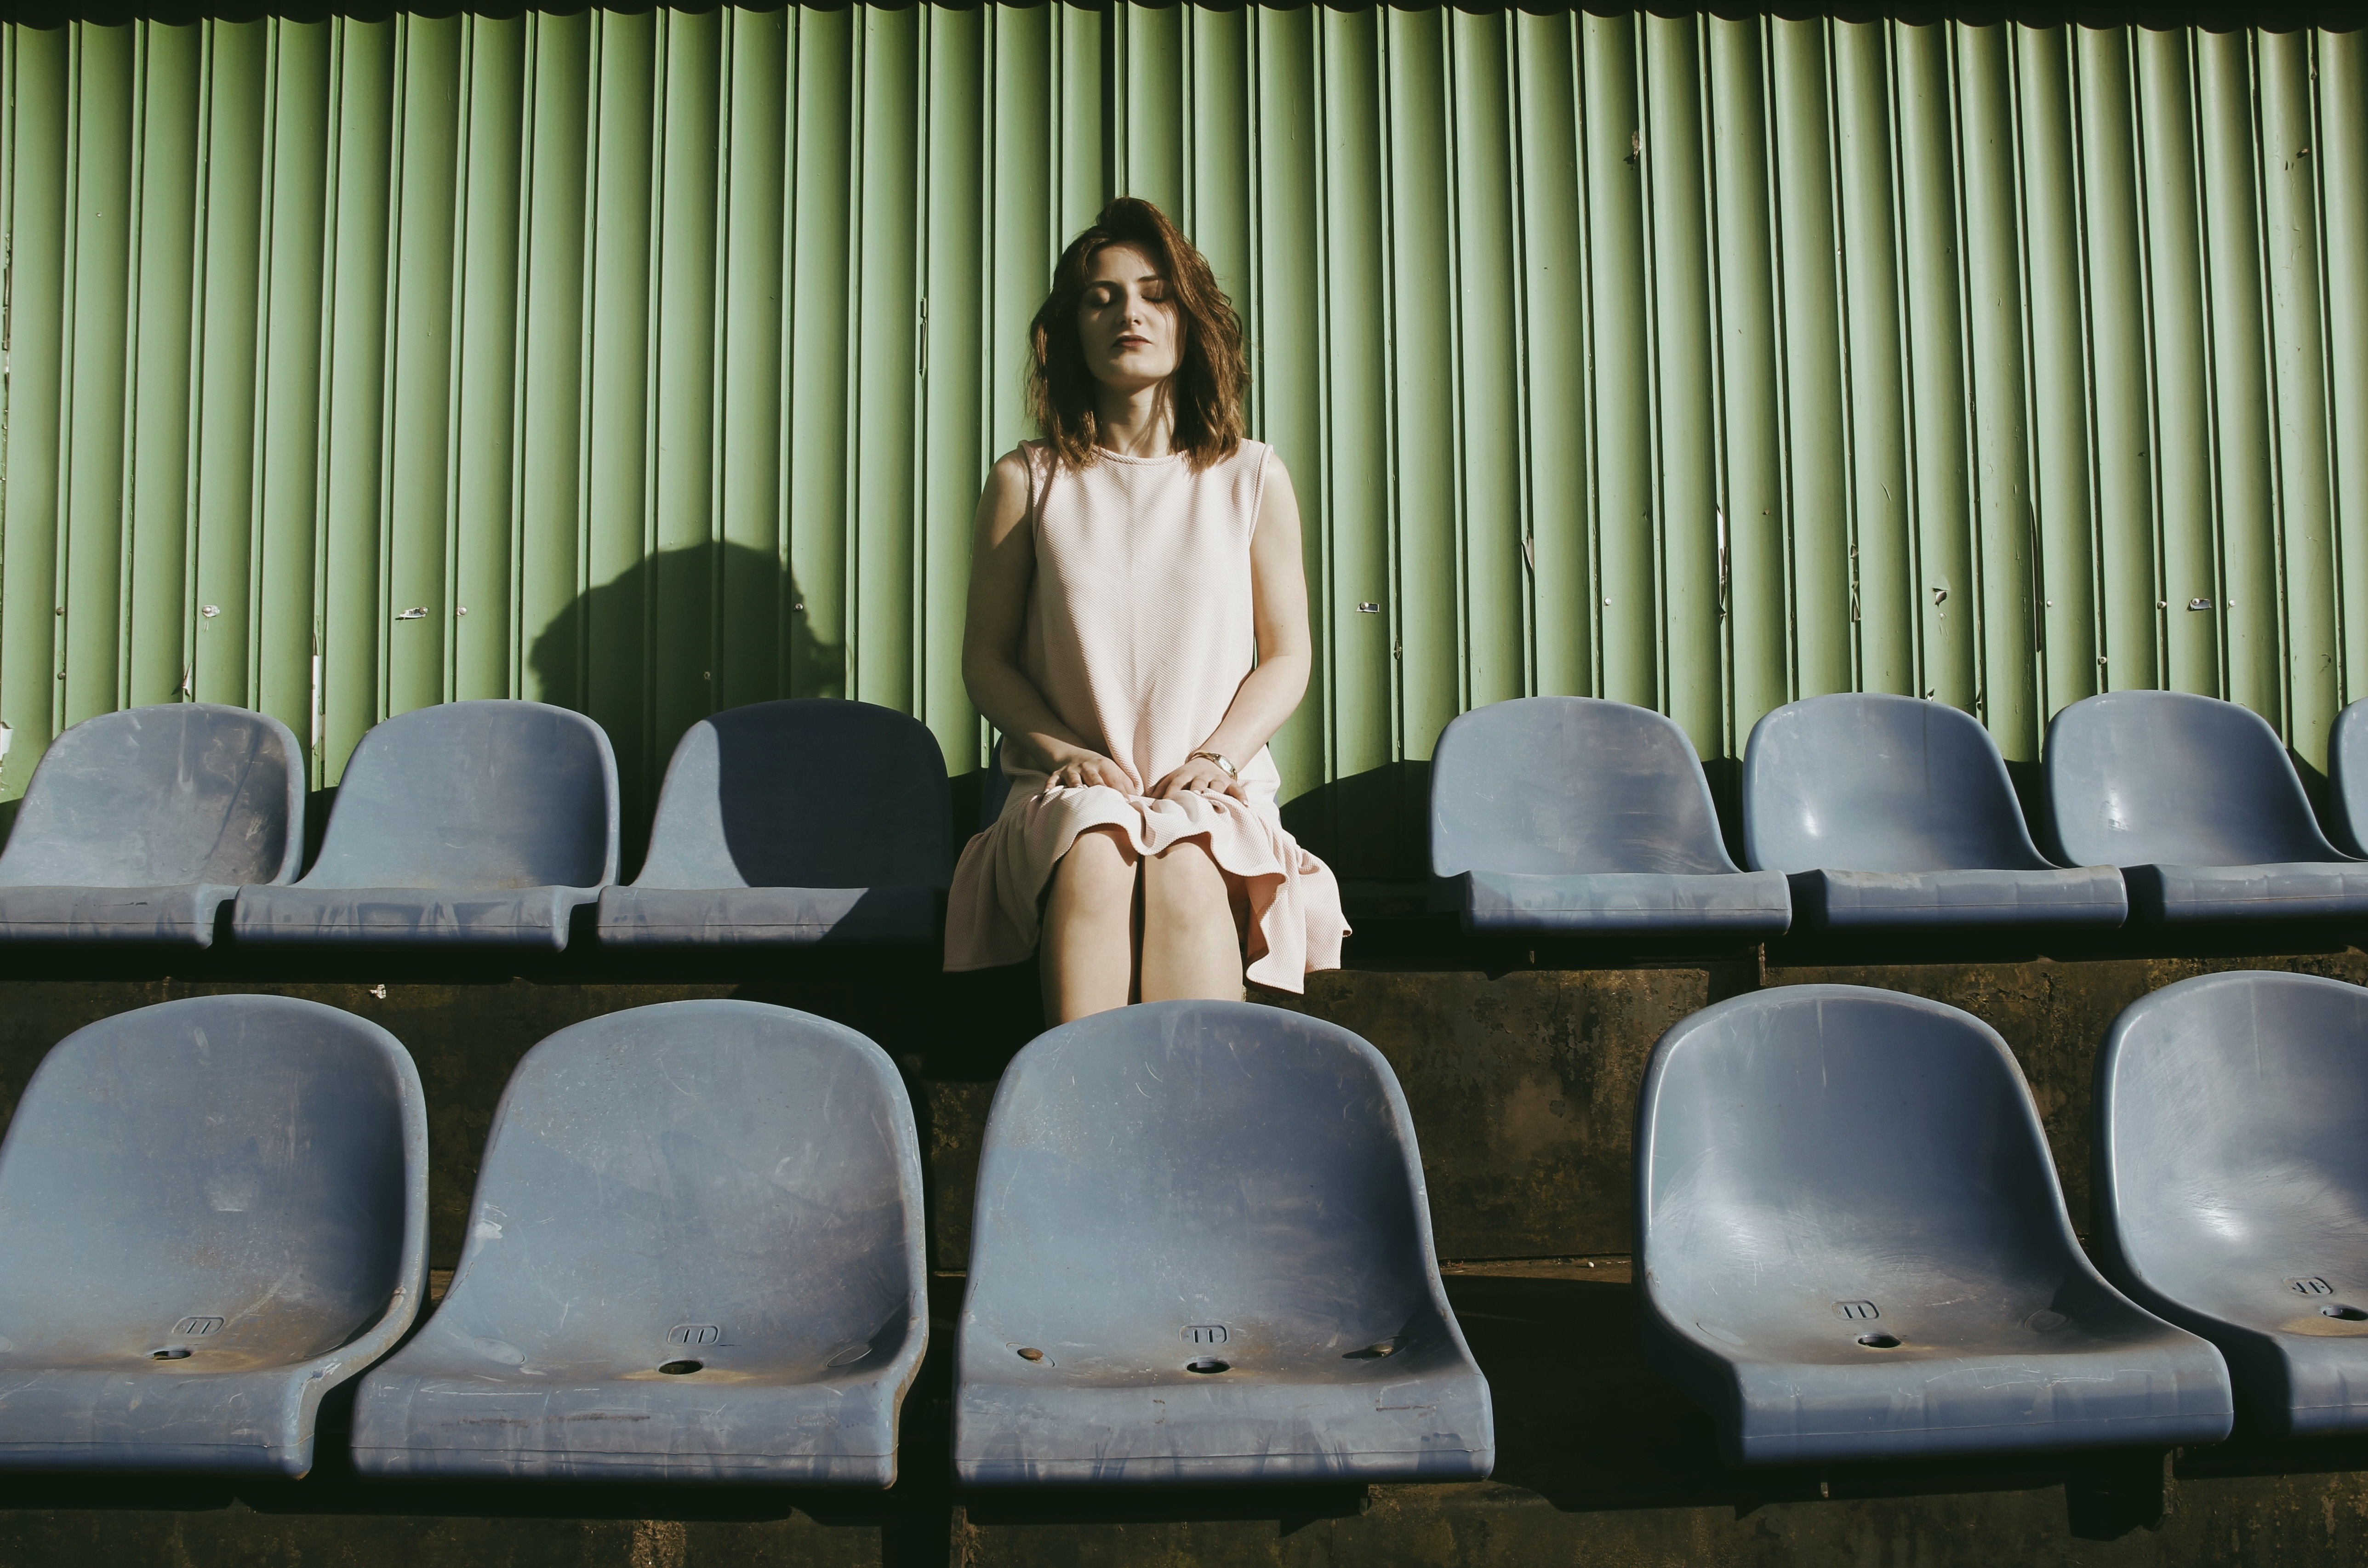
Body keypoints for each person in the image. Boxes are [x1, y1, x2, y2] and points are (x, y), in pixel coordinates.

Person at [945, 196, 1348, 1023]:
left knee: (1189, 859)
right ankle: (1080, 1137)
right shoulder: (1028, 480)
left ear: (1189, 319)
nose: (1129, 311)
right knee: (1096, 845)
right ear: (1070, 329)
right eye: (1101, 297)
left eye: (1154, 293)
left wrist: (1220, 759)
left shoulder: (1250, 477)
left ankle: (1191, 1139)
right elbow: (986, 661)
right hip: (1063, 788)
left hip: (1211, 786)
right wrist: (1065, 752)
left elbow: (1288, 655)